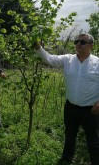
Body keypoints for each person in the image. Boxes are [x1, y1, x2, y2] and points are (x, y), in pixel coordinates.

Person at [34, 33, 99, 165]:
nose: (78, 44)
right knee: (70, 136)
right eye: (76, 41)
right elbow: (50, 59)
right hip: (70, 108)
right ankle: (66, 159)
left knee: (93, 140)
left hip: (91, 110)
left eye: (82, 42)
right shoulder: (68, 59)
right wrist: (37, 47)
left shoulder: (97, 63)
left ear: (91, 45)